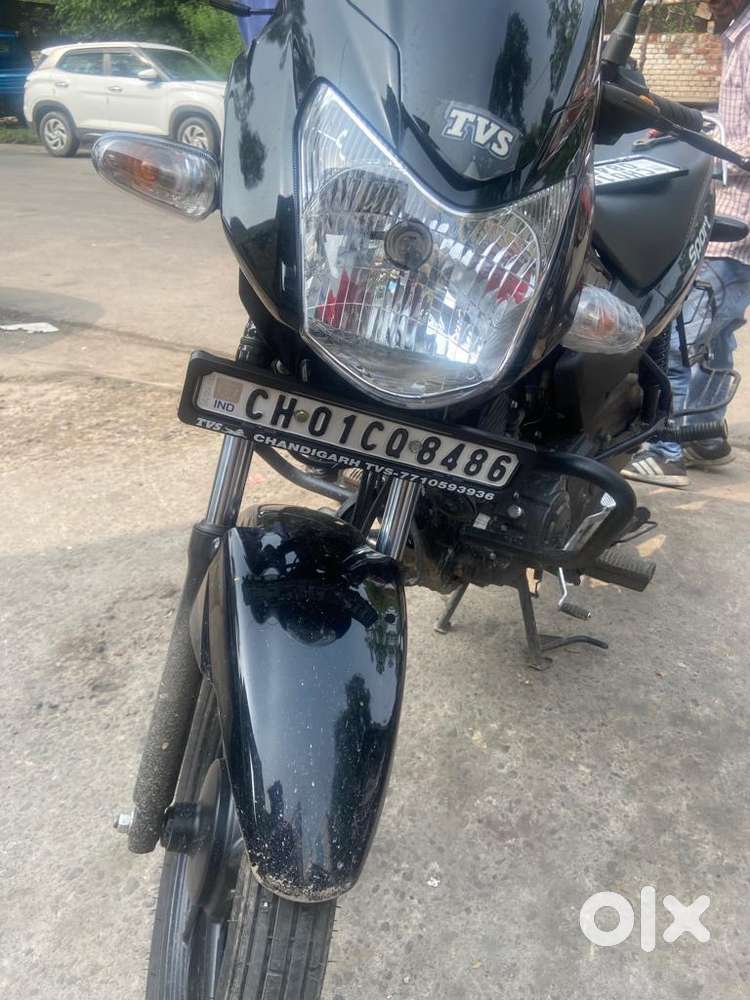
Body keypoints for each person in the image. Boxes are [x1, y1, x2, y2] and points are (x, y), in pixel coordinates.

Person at [623, 0, 750, 488]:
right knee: (717, 337)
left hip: (737, 218)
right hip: (735, 220)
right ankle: (705, 435)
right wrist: (690, 123)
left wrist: (696, 145)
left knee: (680, 338)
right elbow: (736, 121)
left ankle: (665, 449)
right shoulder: (736, 34)